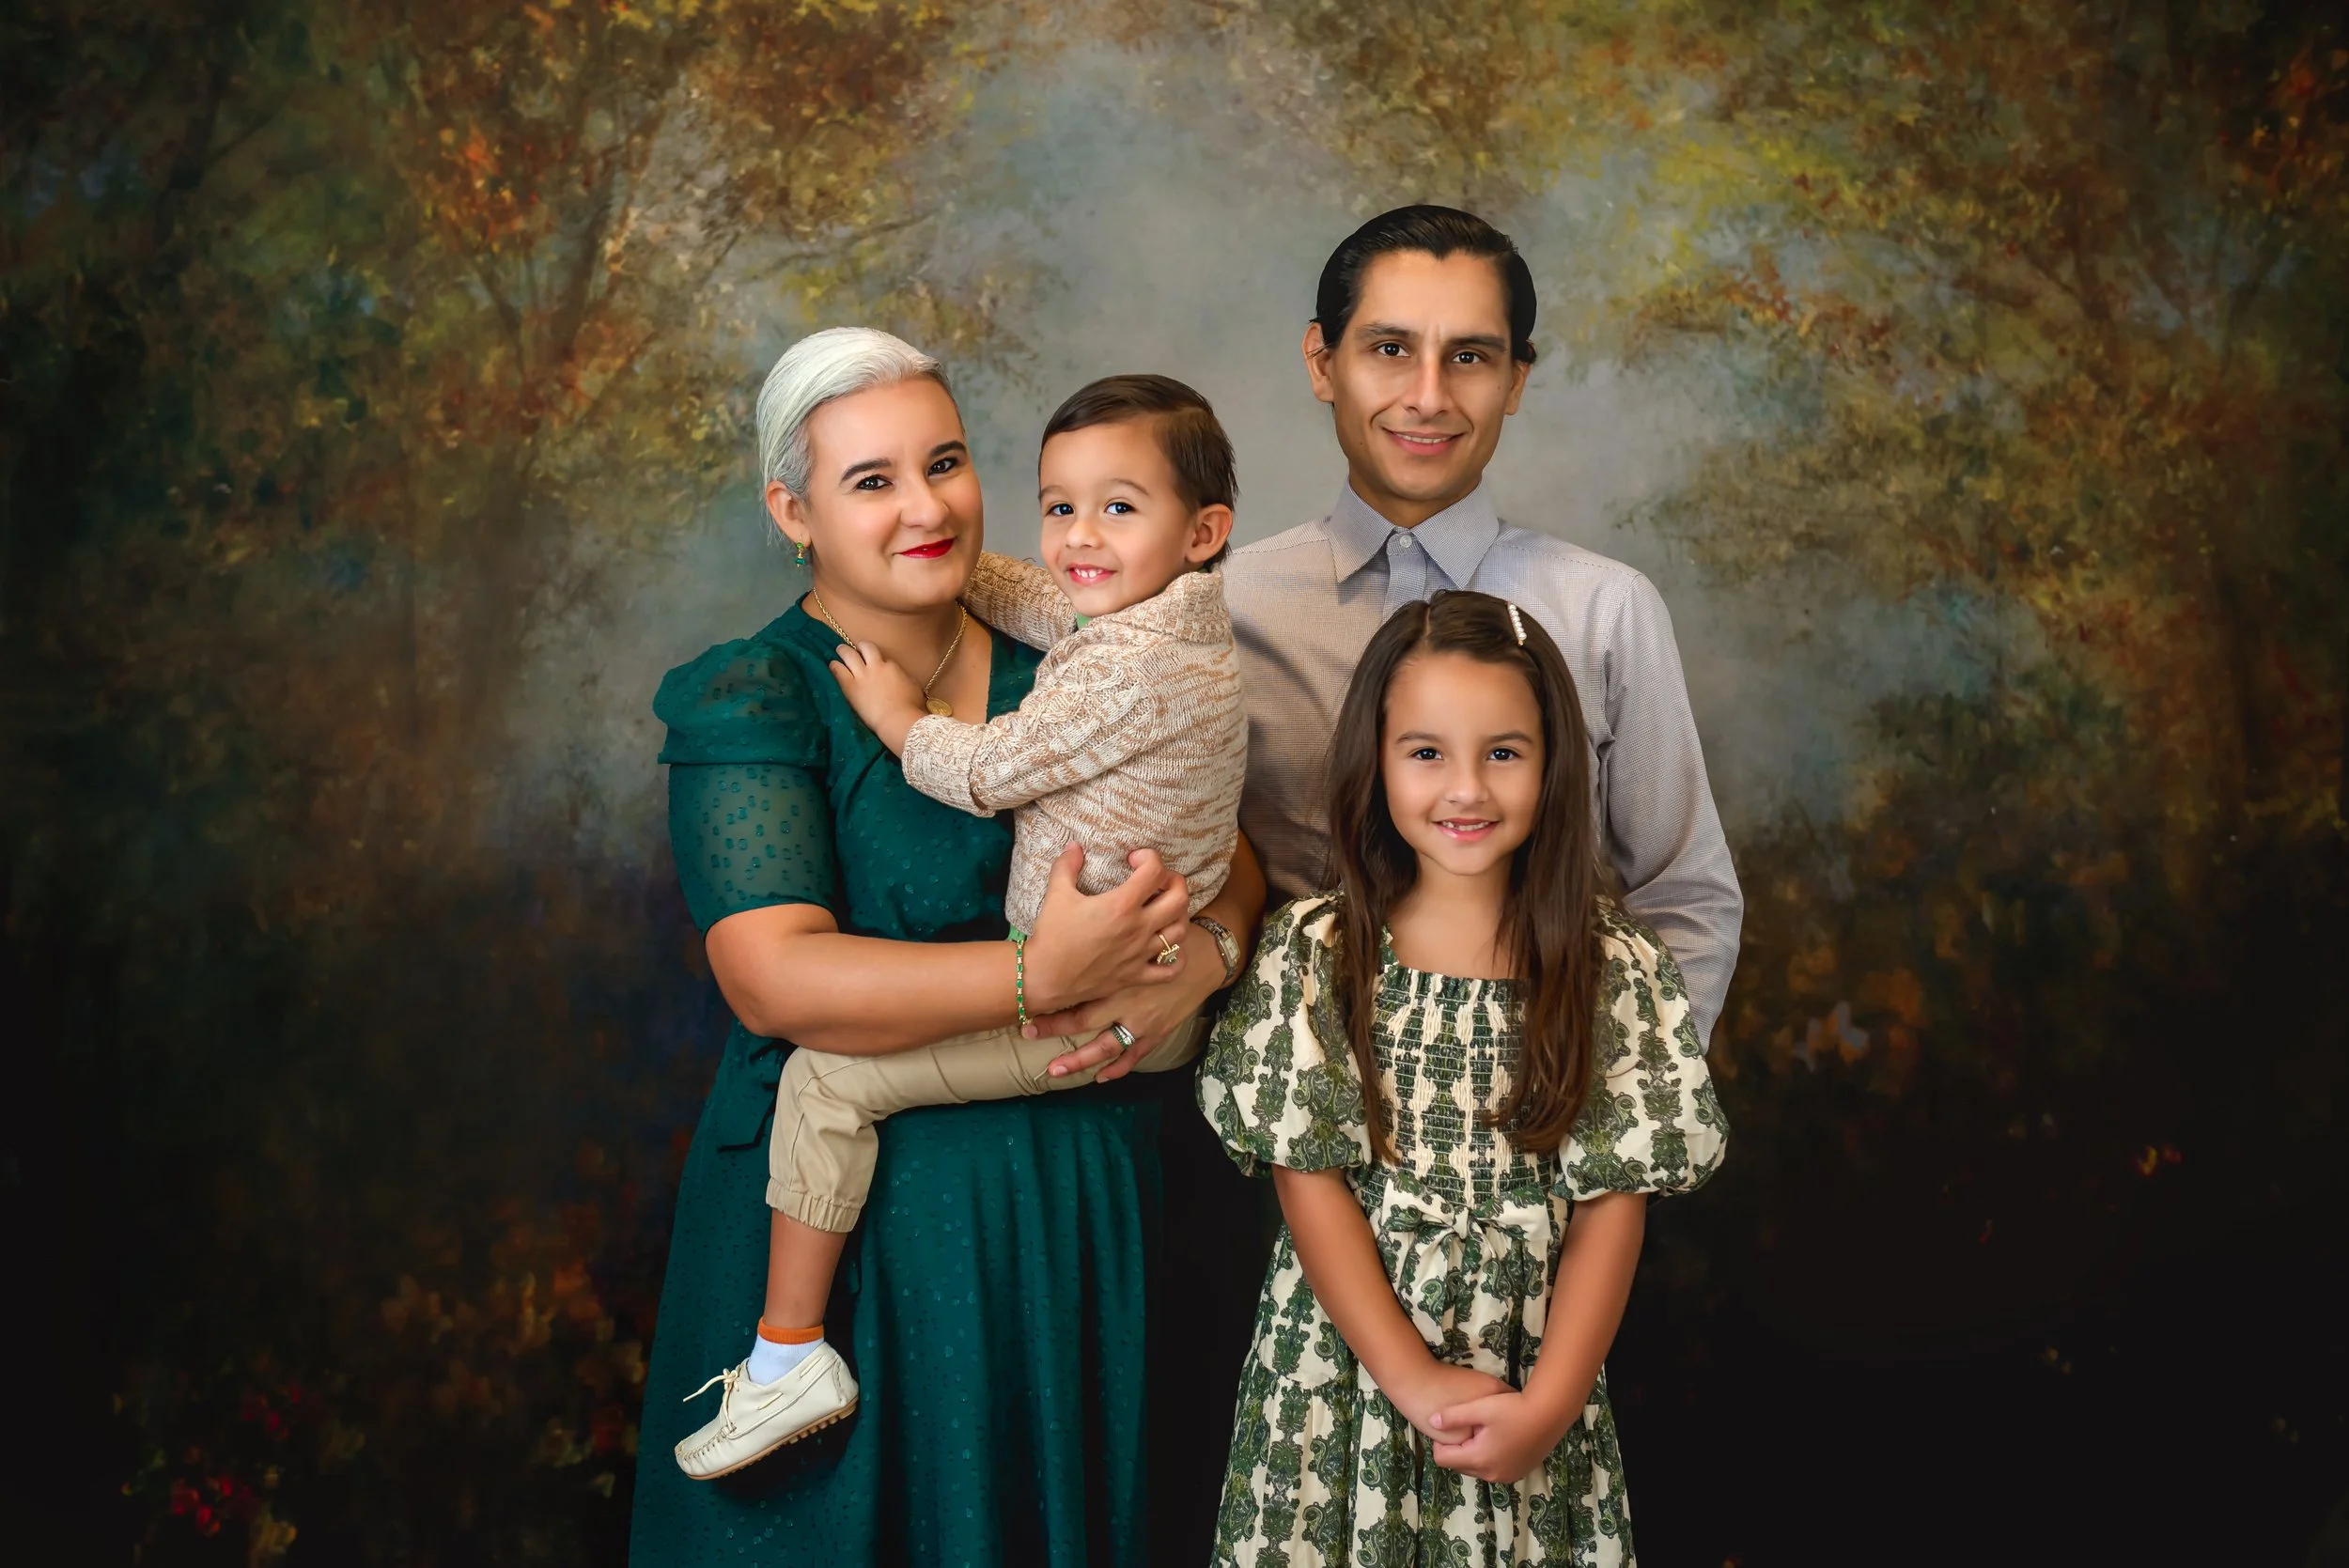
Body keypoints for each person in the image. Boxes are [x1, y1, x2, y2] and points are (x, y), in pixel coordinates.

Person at [630, 327, 1264, 1563]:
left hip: (1090, 1224)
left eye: (946, 462)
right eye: (872, 480)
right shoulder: (762, 692)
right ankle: (786, 1365)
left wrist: (1208, 956)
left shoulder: (1086, 646)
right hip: (863, 1248)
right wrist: (1042, 976)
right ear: (794, 512)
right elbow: (772, 977)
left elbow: (1223, 844)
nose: (926, 507)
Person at [1198, 590, 1728, 1565]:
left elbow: (1612, 1205)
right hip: (1344, 1374)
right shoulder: (1318, 952)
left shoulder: (1611, 967)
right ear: (1376, 759)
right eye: (1427, 752)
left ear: (1553, 762)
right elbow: (1307, 1182)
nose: (1467, 789)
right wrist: (1411, 1378)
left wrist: (1550, 1403)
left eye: (1504, 752)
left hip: (1528, 1369)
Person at [1225, 204, 1742, 1044]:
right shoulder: (1225, 608)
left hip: (1548, 1093)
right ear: (1323, 363)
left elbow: (1684, 893)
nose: (1428, 397)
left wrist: (1620, 1093)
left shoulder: (1606, 610)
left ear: (1516, 380)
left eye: (1469, 357)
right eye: (1390, 350)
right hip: (1279, 1090)